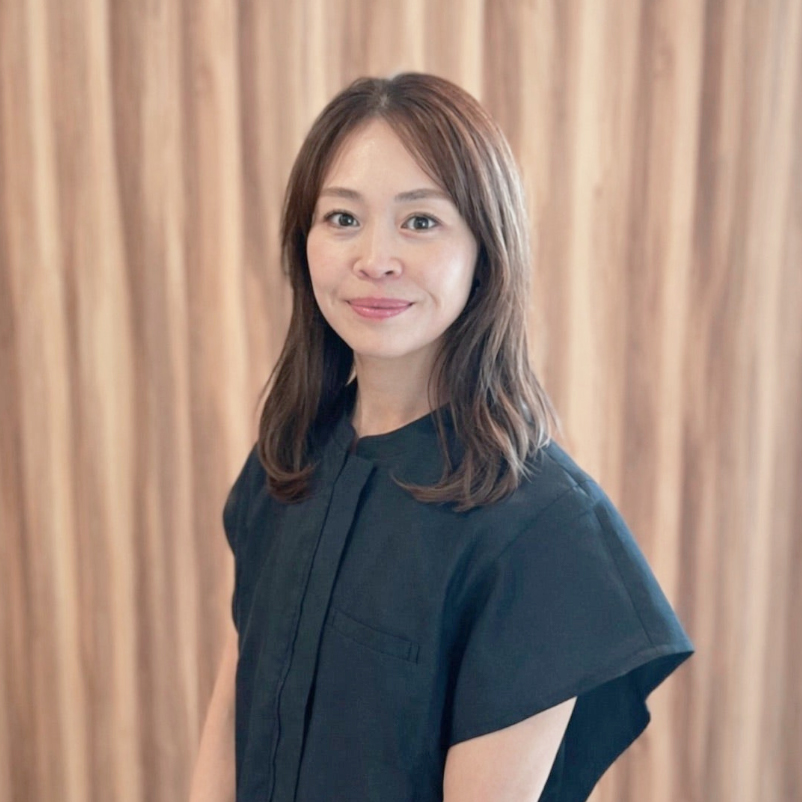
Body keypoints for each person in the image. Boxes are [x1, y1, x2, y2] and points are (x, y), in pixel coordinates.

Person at [189, 73, 693, 802]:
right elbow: (231, 707)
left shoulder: (547, 531)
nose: (375, 258)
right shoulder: (290, 456)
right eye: (342, 218)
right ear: (305, 243)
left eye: (420, 222)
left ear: (486, 250)